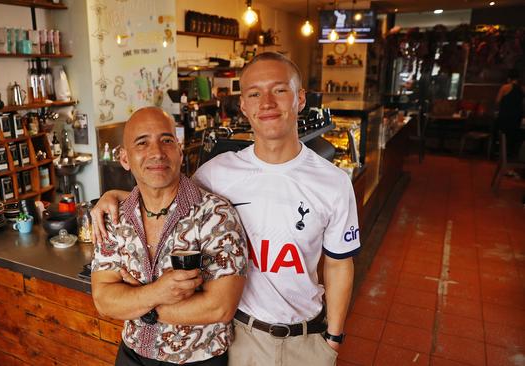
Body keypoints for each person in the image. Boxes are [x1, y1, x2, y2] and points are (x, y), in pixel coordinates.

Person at [93, 52, 360, 366]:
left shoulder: (334, 182)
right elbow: (168, 195)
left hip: (306, 336)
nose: (268, 103)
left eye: (280, 90)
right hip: (240, 335)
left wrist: (334, 337)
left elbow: (339, 264)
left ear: (300, 99)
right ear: (243, 106)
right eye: (255, 93)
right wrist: (115, 196)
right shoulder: (217, 173)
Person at [90, 107, 247, 366]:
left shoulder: (216, 214)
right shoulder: (114, 217)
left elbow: (220, 307)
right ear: (125, 158)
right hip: (132, 354)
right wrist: (159, 292)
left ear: (179, 150)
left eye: (166, 140)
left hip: (198, 359)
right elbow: (104, 300)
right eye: (142, 143)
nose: (156, 152)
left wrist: (138, 304)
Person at [496, 69, 524, 160]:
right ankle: (511, 157)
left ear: (509, 78)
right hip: (517, 117)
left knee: (503, 136)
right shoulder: (522, 89)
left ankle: (502, 156)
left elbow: (497, 101)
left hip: (505, 115)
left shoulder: (505, 87)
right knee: (513, 137)